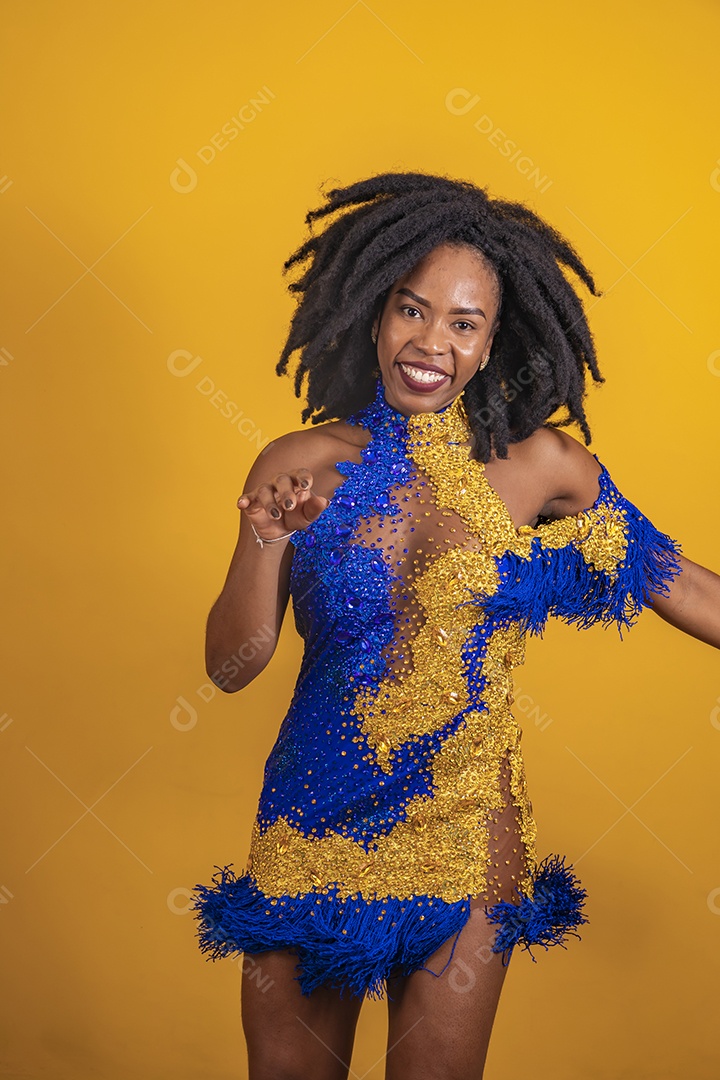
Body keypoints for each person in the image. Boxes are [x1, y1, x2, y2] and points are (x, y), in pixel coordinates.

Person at [190, 171, 720, 1080]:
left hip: (469, 829)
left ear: (490, 342)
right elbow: (234, 665)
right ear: (373, 312)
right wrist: (261, 539)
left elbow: (683, 585)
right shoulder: (300, 462)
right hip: (314, 820)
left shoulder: (544, 467)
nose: (431, 342)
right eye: (411, 309)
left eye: (463, 323)